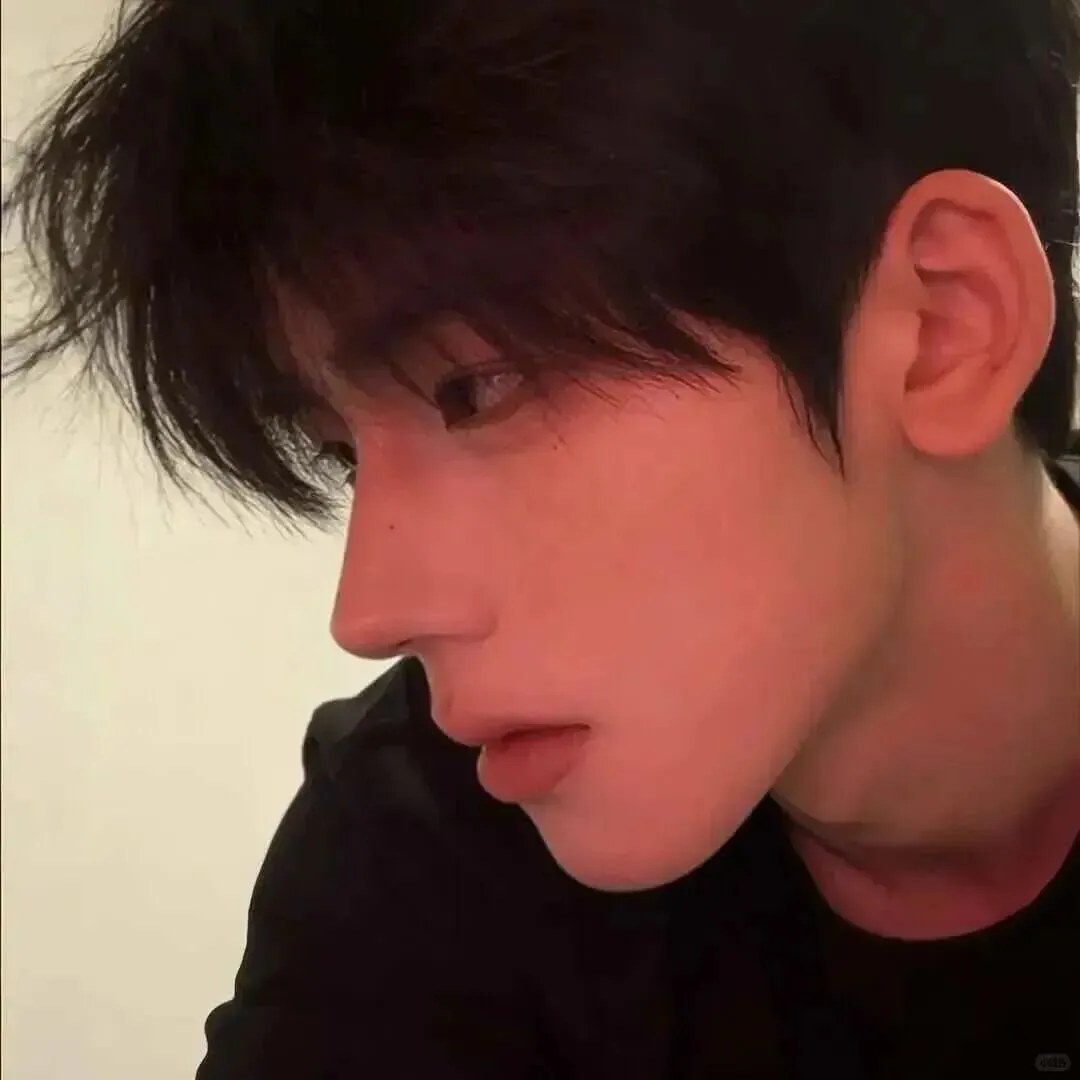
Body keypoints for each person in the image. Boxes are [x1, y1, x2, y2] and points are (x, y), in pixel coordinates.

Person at [4, 0, 1079, 1075]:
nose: (368, 613)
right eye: (343, 455)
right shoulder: (412, 847)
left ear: (943, 329)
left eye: (475, 388)